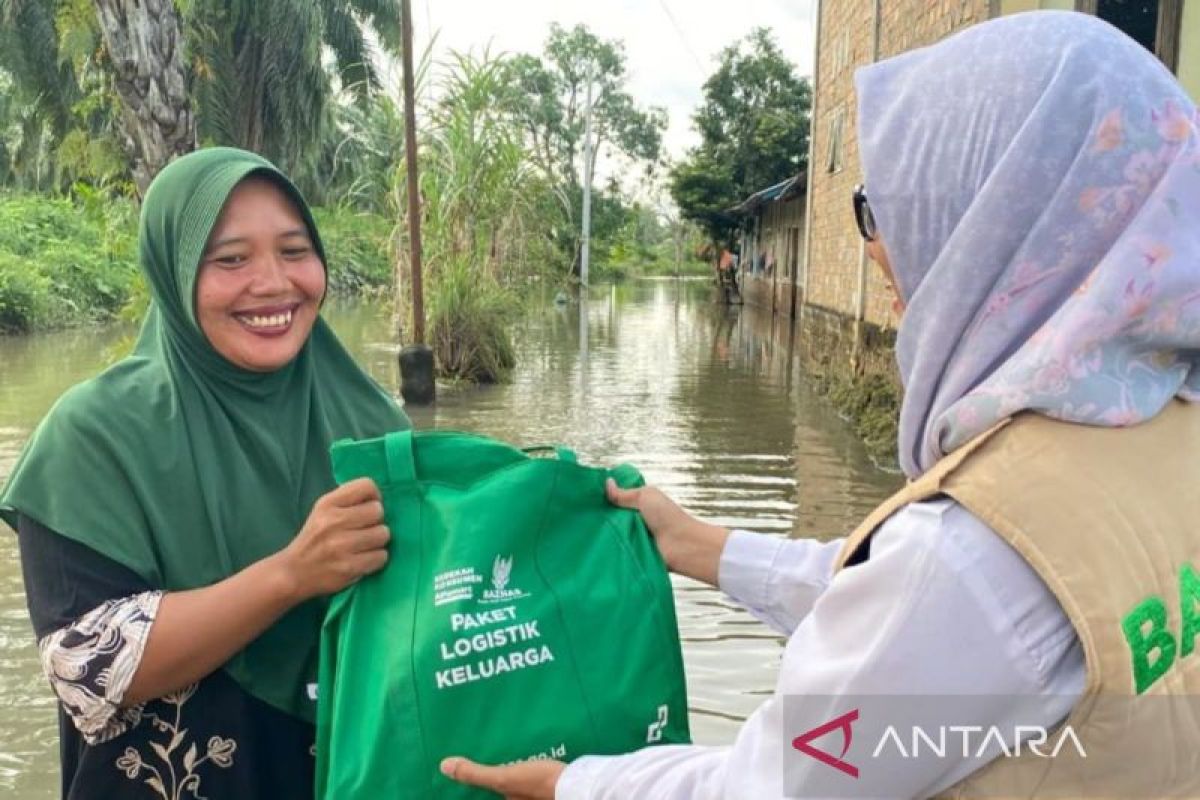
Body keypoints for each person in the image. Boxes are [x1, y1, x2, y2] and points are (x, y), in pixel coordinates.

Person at [442, 11, 1200, 799]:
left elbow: (771, 786)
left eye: (890, 205)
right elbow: (920, 621)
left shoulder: (975, 553)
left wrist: (574, 785)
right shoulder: (1166, 428)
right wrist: (701, 546)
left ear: (1007, 216)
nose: (878, 249)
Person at [0, 147, 408, 799]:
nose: (274, 283)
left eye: (295, 251)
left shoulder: (370, 419)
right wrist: (292, 574)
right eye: (231, 259)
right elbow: (89, 671)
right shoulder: (93, 436)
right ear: (176, 270)